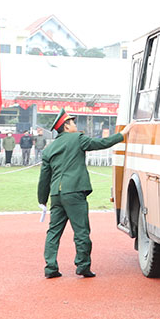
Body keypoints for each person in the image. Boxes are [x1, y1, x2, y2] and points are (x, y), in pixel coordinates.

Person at [38, 109, 131, 278]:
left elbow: (44, 178)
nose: (75, 125)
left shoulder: (49, 148)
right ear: (66, 126)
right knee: (81, 231)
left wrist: (42, 200)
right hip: (74, 191)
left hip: (56, 195)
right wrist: (122, 135)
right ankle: (82, 265)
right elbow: (101, 143)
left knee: (53, 232)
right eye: (72, 122)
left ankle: (50, 267)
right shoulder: (78, 139)